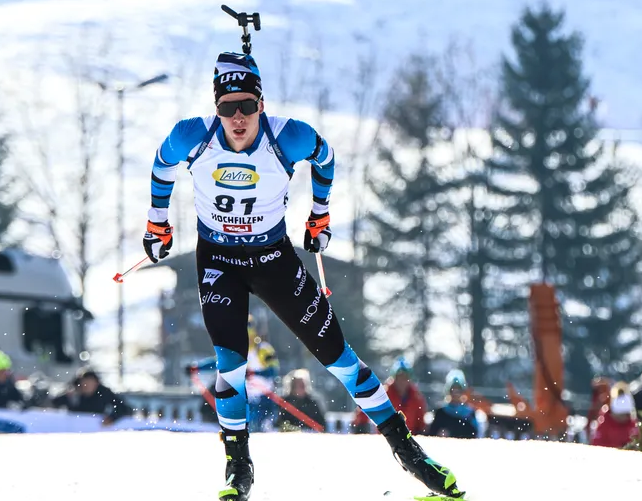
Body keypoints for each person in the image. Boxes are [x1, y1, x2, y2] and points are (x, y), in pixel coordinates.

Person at [143, 50, 463, 501]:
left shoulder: (288, 137)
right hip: (218, 261)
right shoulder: (192, 137)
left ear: (261, 105)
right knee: (230, 365)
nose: (237, 118)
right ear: (216, 109)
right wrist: (157, 222)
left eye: (247, 107)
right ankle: (239, 468)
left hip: (274, 259)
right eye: (226, 108)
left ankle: (408, 452)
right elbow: (160, 166)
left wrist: (320, 215)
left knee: (339, 359)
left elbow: (326, 158)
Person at [353, 357, 427, 434]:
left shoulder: (416, 398)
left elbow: (420, 425)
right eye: (399, 377)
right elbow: (362, 414)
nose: (402, 381)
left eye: (405, 377)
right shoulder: (383, 394)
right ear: (394, 378)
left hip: (408, 440)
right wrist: (360, 428)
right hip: (385, 439)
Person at [52, 367, 134, 425]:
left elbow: (124, 408)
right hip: (75, 428)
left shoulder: (103, 393)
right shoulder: (74, 393)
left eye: (90, 383)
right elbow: (52, 405)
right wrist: (67, 395)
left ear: (96, 383)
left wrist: (112, 418)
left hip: (96, 427)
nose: (87, 386)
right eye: (84, 383)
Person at [426, 370, 478, 439]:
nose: (455, 392)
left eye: (458, 389)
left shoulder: (470, 413)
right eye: (453, 389)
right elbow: (431, 435)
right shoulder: (441, 413)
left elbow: (474, 435)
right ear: (449, 390)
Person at [591, 382, 640, 448]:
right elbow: (597, 445)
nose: (623, 417)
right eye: (621, 413)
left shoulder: (633, 425)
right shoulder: (604, 424)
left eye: (626, 414)